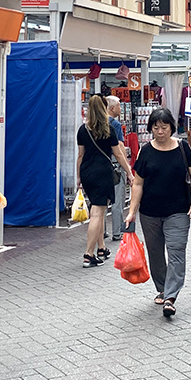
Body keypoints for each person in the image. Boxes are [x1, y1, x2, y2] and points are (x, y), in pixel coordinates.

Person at [126, 107, 191, 318]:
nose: (160, 132)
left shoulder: (182, 148)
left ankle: (170, 297)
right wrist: (132, 211)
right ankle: (162, 287)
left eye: (164, 127)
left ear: (171, 127)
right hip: (150, 212)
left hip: (178, 210)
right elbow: (138, 183)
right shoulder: (145, 151)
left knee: (176, 251)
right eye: (156, 127)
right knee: (156, 254)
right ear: (151, 128)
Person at [77, 95, 133, 268]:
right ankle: (89, 254)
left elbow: (80, 155)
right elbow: (118, 154)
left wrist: (79, 176)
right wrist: (129, 172)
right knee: (97, 214)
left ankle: (101, 248)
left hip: (87, 173)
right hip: (103, 173)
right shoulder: (109, 129)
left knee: (98, 210)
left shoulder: (82, 129)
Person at [106, 95, 127, 241]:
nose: (120, 108)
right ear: (112, 108)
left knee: (101, 202)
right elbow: (119, 146)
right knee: (117, 199)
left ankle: (101, 232)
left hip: (100, 165)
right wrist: (126, 164)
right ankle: (117, 231)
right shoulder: (115, 124)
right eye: (119, 105)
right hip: (115, 164)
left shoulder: (93, 124)